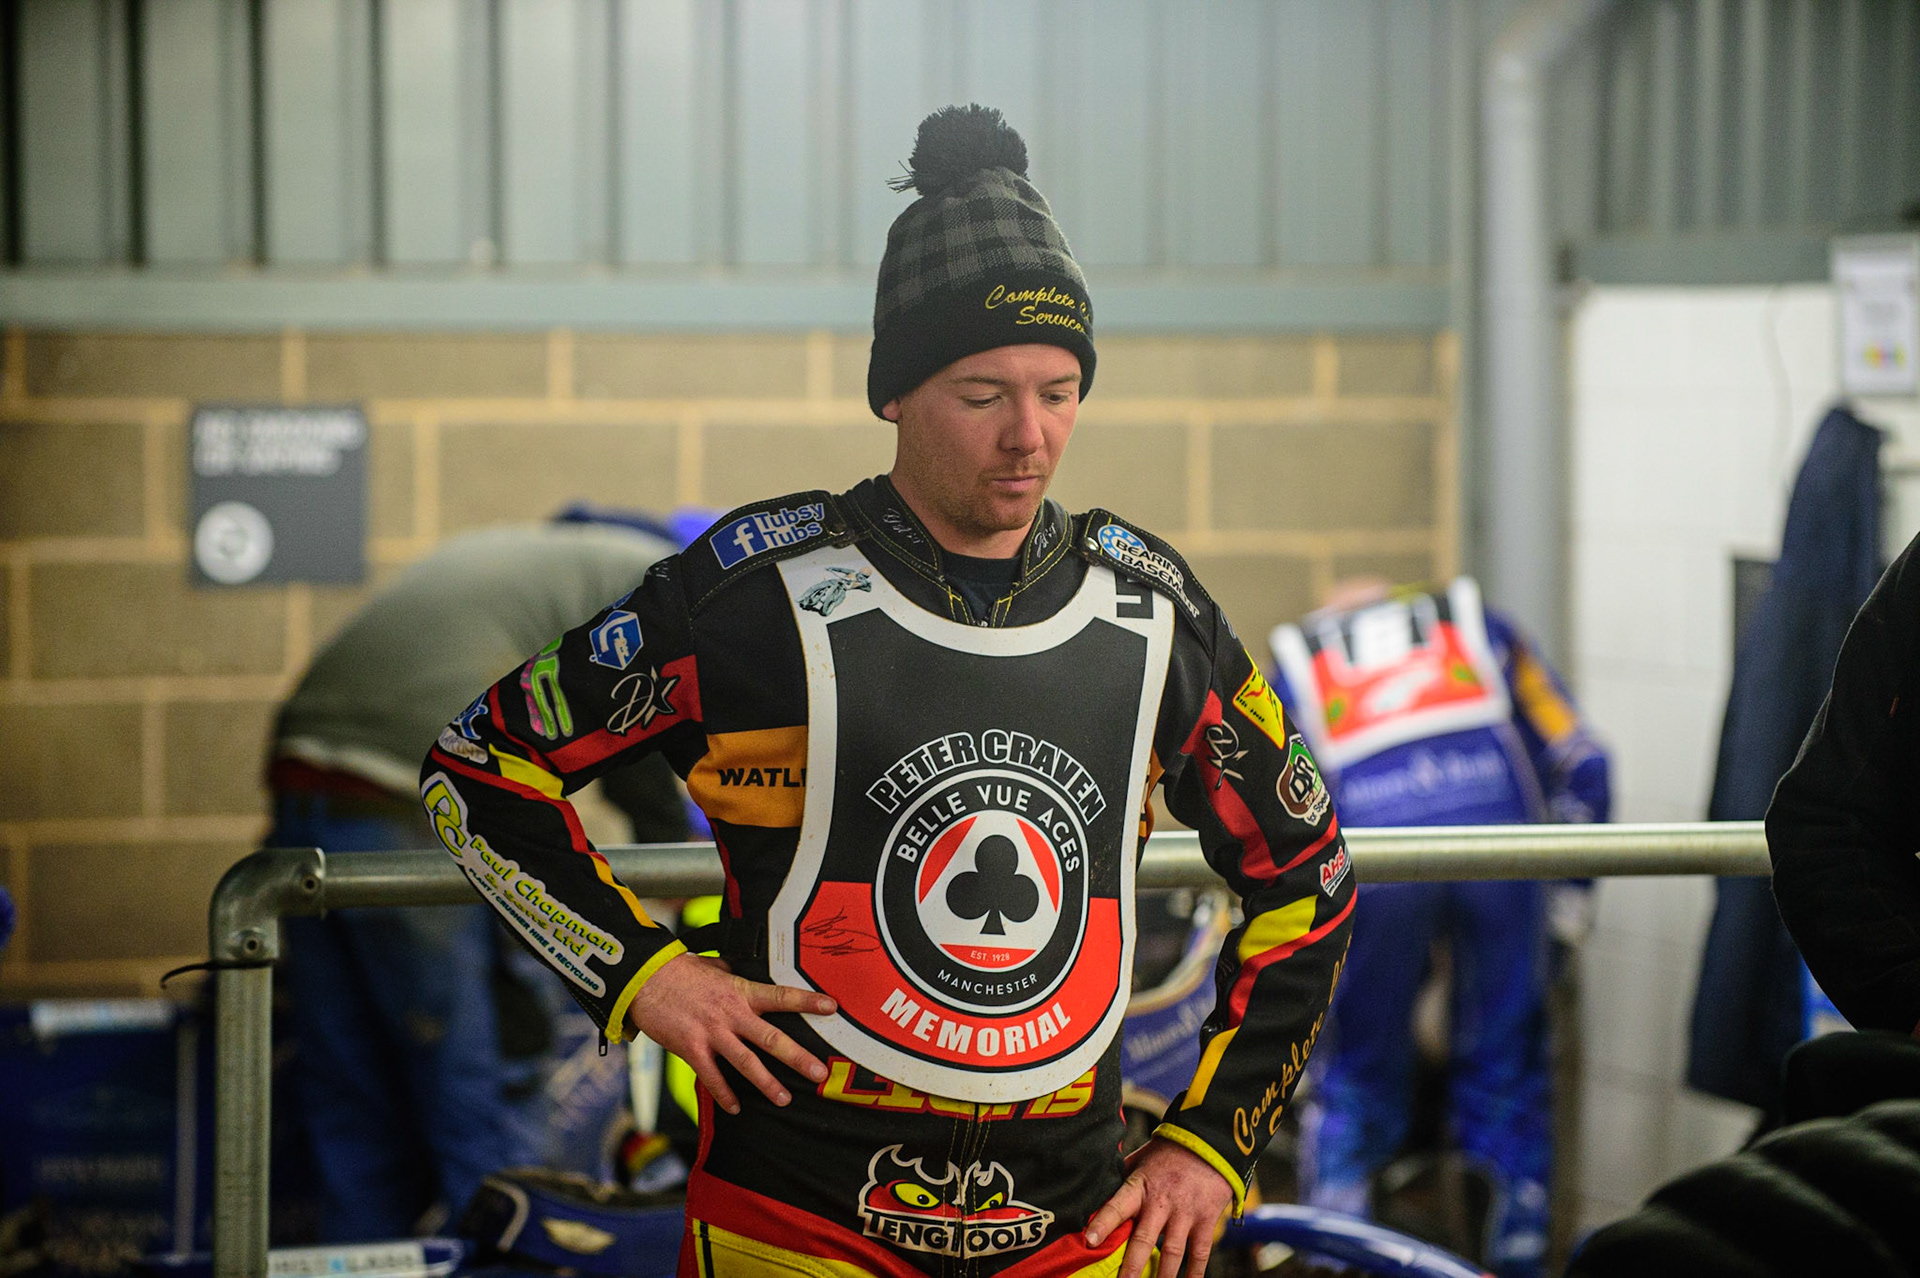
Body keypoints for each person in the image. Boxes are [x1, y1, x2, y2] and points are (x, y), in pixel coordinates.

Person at [419, 104, 1354, 1278]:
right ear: (895, 394)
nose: (1030, 437)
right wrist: (643, 978)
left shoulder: (1153, 609)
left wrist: (1215, 1144)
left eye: (1060, 390)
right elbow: (476, 770)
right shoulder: (745, 596)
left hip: (1068, 1236)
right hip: (792, 1226)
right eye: (983, 395)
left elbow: (1308, 872)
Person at [271, 515, 690, 1241]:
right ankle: (512, 1254)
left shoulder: (550, 557)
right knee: (490, 1076)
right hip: (411, 783)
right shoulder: (678, 581)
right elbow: (639, 726)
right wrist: (675, 863)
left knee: (354, 1099)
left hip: (307, 782)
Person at [1269, 577, 1609, 1278]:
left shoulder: (1295, 661)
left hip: (1371, 857)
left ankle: (1335, 1254)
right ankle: (1509, 1259)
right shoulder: (1479, 624)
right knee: (1505, 1076)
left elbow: (1269, 814)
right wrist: (1566, 907)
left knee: (1356, 1080)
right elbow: (1588, 763)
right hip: (1499, 849)